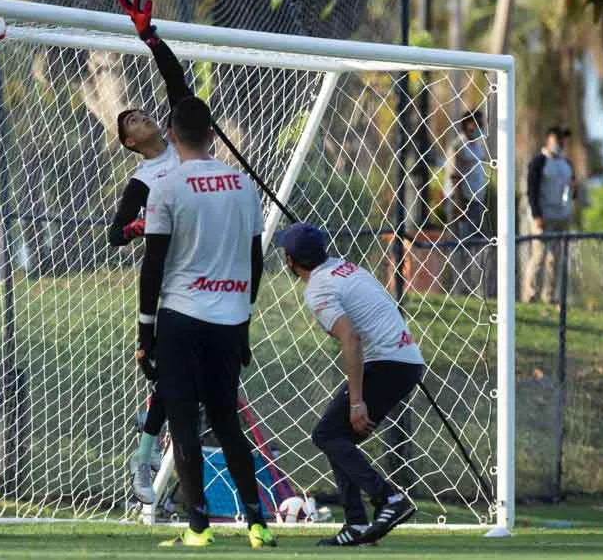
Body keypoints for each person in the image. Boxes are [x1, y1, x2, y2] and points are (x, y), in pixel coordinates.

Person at [136, 87, 274, 547]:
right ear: (212, 135)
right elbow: (254, 261)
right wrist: (244, 318)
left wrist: (145, 332)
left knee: (183, 421)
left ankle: (199, 528)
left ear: (172, 136)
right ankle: (257, 522)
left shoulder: (167, 187)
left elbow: (153, 264)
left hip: (181, 317)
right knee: (227, 420)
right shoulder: (243, 185)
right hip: (230, 320)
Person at [273, 222, 424, 547]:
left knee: (326, 434)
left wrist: (357, 401)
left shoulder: (317, 288)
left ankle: (388, 499)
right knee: (337, 437)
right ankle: (355, 523)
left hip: (388, 364)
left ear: (290, 260)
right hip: (404, 361)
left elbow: (350, 338)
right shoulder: (342, 266)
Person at [108, 108, 179, 504]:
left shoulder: (184, 144)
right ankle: (146, 451)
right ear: (130, 142)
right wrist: (141, 224)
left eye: (141, 113)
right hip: (172, 278)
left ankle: (152, 424)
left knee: (200, 379)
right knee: (176, 371)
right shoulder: (142, 180)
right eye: (131, 121)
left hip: (209, 268)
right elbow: (116, 235)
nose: (142, 117)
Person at [522, 126, 574, 304]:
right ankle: (530, 295)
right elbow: (532, 190)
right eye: (556, 138)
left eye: (562, 139)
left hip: (561, 217)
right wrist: (537, 214)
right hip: (543, 216)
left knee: (555, 258)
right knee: (539, 255)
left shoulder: (566, 164)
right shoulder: (539, 161)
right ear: (548, 139)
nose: (560, 142)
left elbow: (570, 189)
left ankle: (549, 296)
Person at [443, 110, 489, 294]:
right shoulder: (458, 145)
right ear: (466, 125)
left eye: (481, 124)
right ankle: (457, 289)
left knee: (474, 245)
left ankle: (472, 287)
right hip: (460, 201)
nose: (479, 128)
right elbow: (455, 176)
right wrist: (459, 204)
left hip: (476, 201)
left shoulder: (478, 146)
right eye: (475, 124)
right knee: (458, 244)